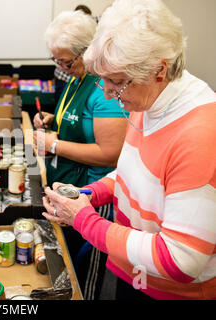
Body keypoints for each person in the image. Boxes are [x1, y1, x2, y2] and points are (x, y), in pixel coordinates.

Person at [42, 0, 216, 300]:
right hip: (136, 270)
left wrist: (84, 220)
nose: (108, 93)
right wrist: (88, 195)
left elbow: (180, 260)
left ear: (159, 70)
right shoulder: (148, 98)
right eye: (104, 80)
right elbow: (130, 171)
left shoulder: (199, 134)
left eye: (117, 83)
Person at [33, 10, 128, 300]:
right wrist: (53, 119)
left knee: (83, 276)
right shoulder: (76, 76)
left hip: (93, 195)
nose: (61, 67)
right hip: (68, 183)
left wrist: (52, 144)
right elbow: (78, 123)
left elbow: (111, 153)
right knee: (65, 258)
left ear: (86, 51)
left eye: (65, 60)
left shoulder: (102, 88)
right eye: (56, 60)